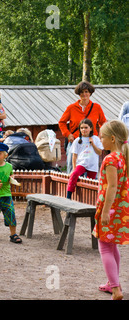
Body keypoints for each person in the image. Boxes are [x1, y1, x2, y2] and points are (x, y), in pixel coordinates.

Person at [92, 120, 129, 300]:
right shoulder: (123, 156)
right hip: (121, 210)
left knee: (105, 248)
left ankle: (115, 290)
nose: (100, 140)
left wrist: (105, 212)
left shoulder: (110, 159)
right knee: (112, 247)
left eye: (102, 137)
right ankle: (113, 282)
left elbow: (112, 187)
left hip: (110, 209)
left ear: (112, 138)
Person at [59, 81, 106, 173]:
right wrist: (68, 134)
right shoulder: (71, 108)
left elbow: (103, 123)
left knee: (90, 169)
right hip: (76, 141)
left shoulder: (97, 107)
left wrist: (99, 137)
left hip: (91, 143)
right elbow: (62, 122)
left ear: (90, 93)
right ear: (78, 94)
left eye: (86, 92)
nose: (84, 94)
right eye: (81, 92)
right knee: (72, 169)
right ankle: (71, 186)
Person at [66, 118, 103, 199]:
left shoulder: (95, 139)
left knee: (90, 184)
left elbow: (99, 152)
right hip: (81, 163)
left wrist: (92, 143)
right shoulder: (77, 140)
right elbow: (74, 156)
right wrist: (74, 168)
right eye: (82, 128)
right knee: (74, 175)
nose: (84, 130)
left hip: (92, 165)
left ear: (91, 128)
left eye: (86, 127)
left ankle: (89, 200)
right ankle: (68, 196)